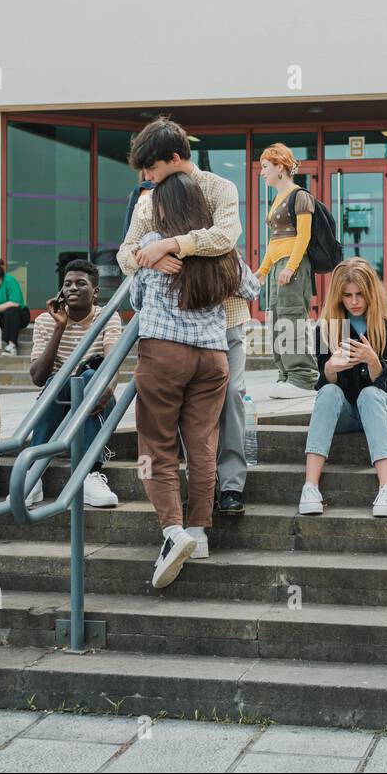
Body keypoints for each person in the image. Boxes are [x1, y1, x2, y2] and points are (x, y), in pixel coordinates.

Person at [129, 171, 259, 589]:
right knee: (203, 443)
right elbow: (252, 288)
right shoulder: (220, 247)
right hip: (213, 358)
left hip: (164, 354)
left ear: (164, 208)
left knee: (156, 446)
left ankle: (173, 531)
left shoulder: (153, 245)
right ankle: (200, 532)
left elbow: (136, 295)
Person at [118, 116, 252, 517]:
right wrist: (150, 260)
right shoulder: (150, 200)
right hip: (176, 328)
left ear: (175, 158)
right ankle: (192, 508)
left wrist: (171, 245)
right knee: (189, 418)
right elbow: (125, 255)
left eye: (152, 167)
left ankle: (229, 487)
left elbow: (225, 238)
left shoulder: (219, 188)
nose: (147, 176)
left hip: (223, 318)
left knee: (230, 401)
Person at [299, 258, 387, 518]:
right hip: (345, 413)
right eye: (347, 295)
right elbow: (326, 391)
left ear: (371, 293)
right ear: (339, 296)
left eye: (360, 294)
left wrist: (373, 362)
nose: (354, 301)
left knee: (370, 394)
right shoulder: (327, 328)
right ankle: (310, 487)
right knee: (328, 392)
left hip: (384, 408)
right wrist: (330, 370)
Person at [27, 257, 121, 508]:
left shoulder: (107, 316)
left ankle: (89, 473)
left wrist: (107, 389)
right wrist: (60, 327)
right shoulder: (47, 321)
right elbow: (37, 377)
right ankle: (33, 477)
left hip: (95, 398)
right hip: (57, 399)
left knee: (91, 378)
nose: (72, 288)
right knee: (58, 380)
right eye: (67, 284)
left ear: (95, 291)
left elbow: (113, 363)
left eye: (81, 283)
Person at [255, 143, 319, 398]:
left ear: (280, 167)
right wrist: (263, 270)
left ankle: (303, 378)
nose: (262, 172)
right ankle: (285, 375)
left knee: (292, 318)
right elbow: (274, 243)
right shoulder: (277, 199)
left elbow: (303, 238)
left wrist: (291, 267)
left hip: (294, 266)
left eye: (265, 167)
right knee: (278, 318)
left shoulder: (300, 196)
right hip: (278, 268)